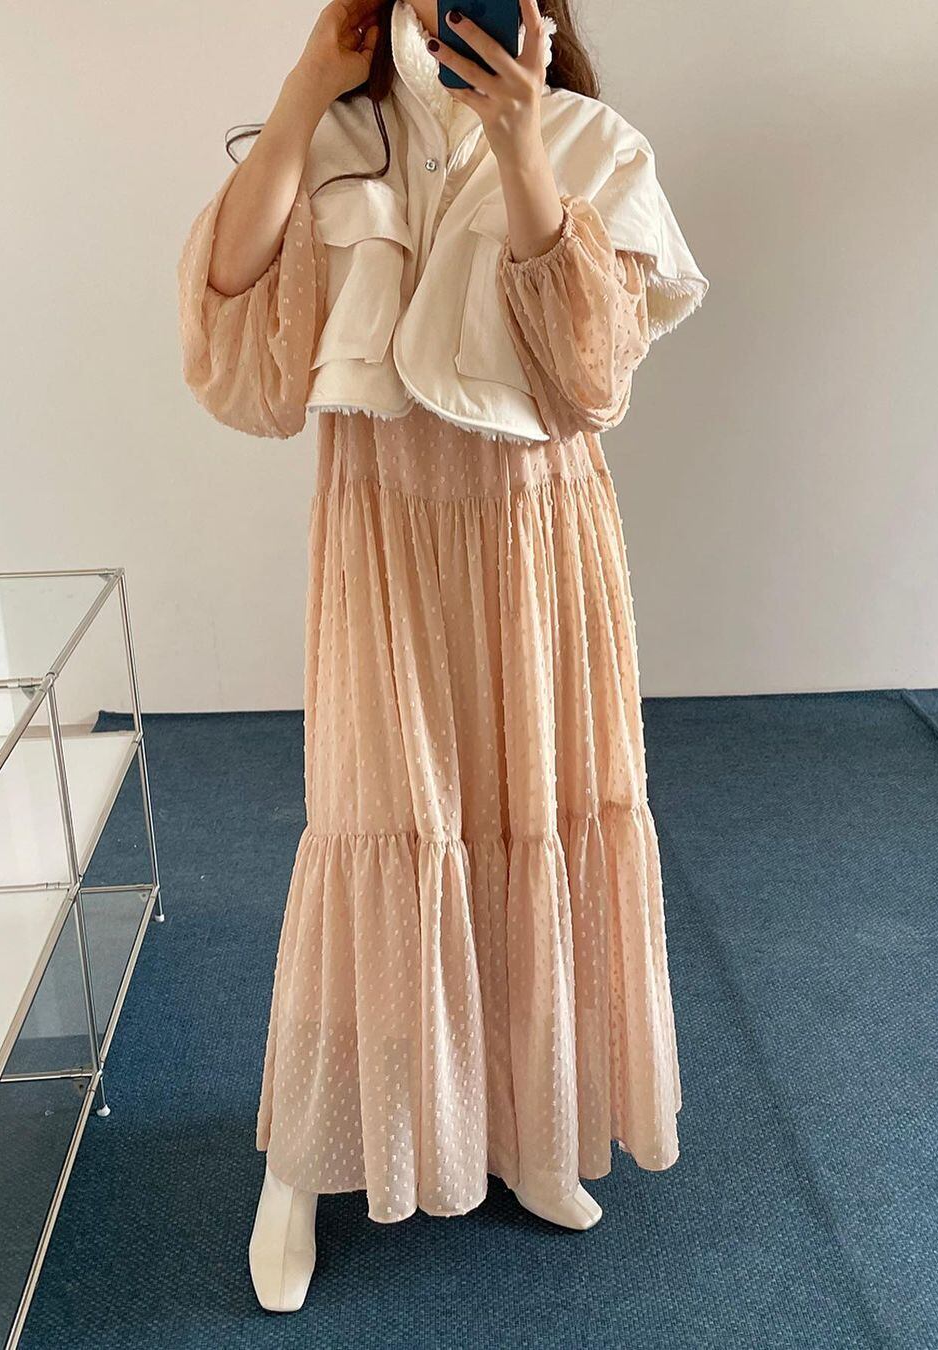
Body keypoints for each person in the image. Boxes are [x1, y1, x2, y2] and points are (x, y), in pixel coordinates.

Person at [177, 0, 707, 1311]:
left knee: (534, 816)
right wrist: (306, 91)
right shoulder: (338, 140)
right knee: (379, 823)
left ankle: (530, 1125)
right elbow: (233, 337)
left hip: (538, 536)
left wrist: (524, 150)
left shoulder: (592, 141)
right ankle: (302, 1163)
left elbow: (593, 377)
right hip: (384, 532)